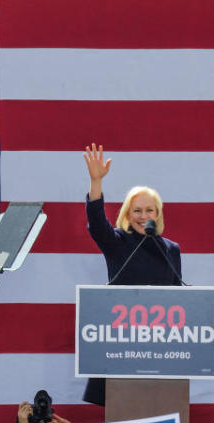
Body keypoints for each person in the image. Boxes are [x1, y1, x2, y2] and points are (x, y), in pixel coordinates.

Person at [83, 143, 184, 405]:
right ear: (128, 214)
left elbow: (179, 300)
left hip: (159, 349)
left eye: (149, 210)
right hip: (120, 345)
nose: (142, 216)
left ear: (157, 215)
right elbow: (96, 225)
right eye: (137, 210)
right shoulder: (117, 242)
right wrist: (96, 182)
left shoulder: (170, 250)